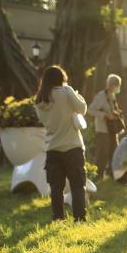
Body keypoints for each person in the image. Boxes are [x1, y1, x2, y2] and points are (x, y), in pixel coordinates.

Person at [34, 65, 89, 222]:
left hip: (52, 148)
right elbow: (82, 109)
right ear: (61, 78)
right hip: (72, 146)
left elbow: (44, 121)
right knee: (77, 185)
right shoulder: (66, 91)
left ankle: (58, 218)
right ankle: (79, 218)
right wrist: (77, 97)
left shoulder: (40, 99)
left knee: (56, 188)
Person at [87, 74, 123, 181]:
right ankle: (98, 176)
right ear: (110, 85)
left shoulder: (112, 95)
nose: (117, 87)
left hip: (113, 130)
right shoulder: (101, 96)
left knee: (114, 152)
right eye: (116, 85)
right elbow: (90, 110)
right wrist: (105, 115)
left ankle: (112, 175)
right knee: (102, 153)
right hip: (103, 129)